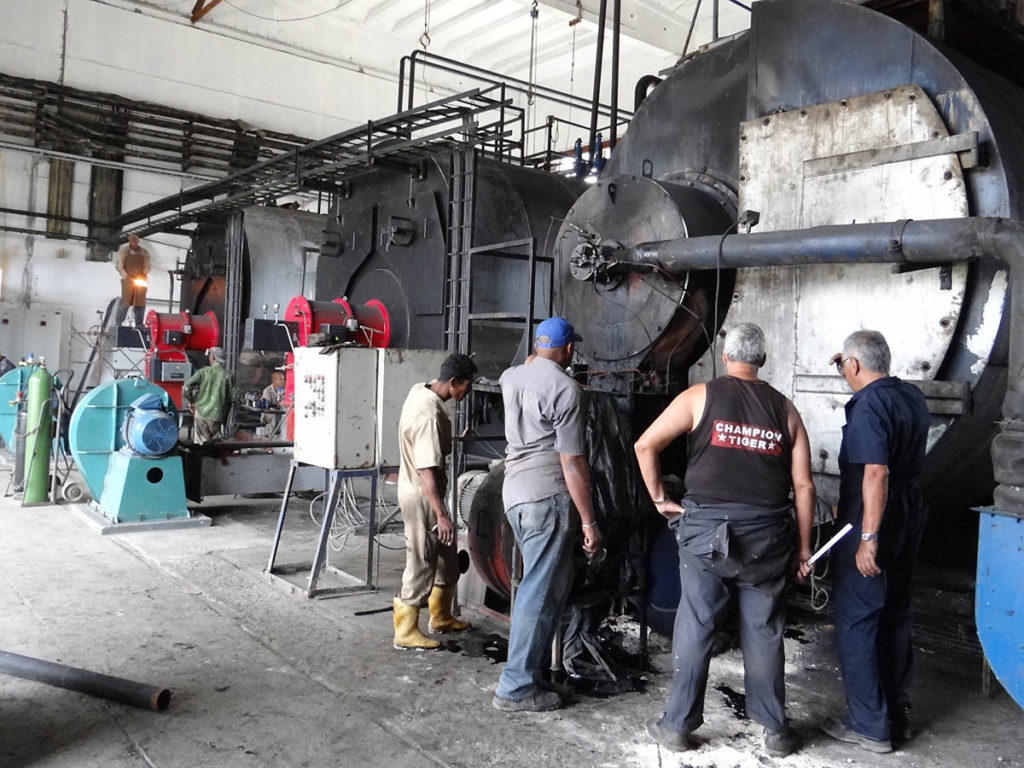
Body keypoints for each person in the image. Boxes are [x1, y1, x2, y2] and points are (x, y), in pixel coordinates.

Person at [634, 322, 815, 758]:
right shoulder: (786, 410)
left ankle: (677, 726)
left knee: (697, 623)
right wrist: (804, 548)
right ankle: (775, 731)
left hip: (706, 535)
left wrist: (659, 499)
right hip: (768, 537)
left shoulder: (698, 396)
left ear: (725, 356)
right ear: (763, 360)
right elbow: (804, 486)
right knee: (764, 629)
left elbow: (645, 445)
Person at [822, 330, 929, 753]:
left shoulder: (869, 404)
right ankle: (895, 716)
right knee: (895, 613)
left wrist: (868, 538)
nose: (843, 372)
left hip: (875, 519)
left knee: (858, 619)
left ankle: (868, 725)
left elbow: (876, 472)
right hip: (909, 513)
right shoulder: (911, 397)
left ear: (853, 365)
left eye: (842, 365)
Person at [493, 317, 602, 713]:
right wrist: (589, 521)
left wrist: (536, 361)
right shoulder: (568, 390)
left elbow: (526, 367)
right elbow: (572, 461)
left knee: (540, 590)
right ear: (569, 349)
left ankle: (532, 675)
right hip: (546, 498)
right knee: (538, 595)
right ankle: (515, 688)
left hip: (514, 494)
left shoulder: (510, 378)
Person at [393, 352, 478, 651]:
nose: (467, 392)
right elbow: (426, 470)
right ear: (453, 382)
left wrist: (454, 440)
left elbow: (427, 444)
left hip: (426, 493)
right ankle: (405, 631)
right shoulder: (429, 414)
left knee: (446, 557)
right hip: (422, 496)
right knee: (422, 559)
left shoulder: (421, 390)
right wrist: (441, 515)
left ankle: (440, 617)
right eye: (466, 385)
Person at [183, 347, 236, 446]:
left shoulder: (203, 372)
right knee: (214, 445)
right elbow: (234, 397)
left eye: (210, 356)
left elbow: (186, 387)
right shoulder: (228, 375)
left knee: (201, 445)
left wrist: (192, 401)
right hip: (217, 415)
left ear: (213, 358)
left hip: (201, 413)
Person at [114, 234, 151, 327]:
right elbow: (119, 265)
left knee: (140, 301)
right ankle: (118, 323)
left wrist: (143, 274)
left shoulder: (143, 252)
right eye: (132, 240)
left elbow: (147, 266)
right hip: (128, 279)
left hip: (140, 280)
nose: (134, 242)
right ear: (129, 241)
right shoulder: (124, 251)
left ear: (138, 241)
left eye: (136, 240)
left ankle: (139, 324)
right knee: (125, 301)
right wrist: (125, 275)